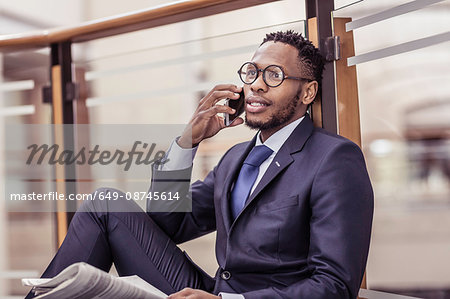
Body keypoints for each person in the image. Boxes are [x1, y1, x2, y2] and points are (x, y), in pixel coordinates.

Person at [26, 30, 373, 299]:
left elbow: (335, 286)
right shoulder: (237, 157)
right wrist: (185, 143)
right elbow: (169, 223)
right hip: (210, 289)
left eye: (274, 76)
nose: (255, 86)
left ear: (308, 93)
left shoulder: (334, 159)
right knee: (104, 204)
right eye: (252, 73)